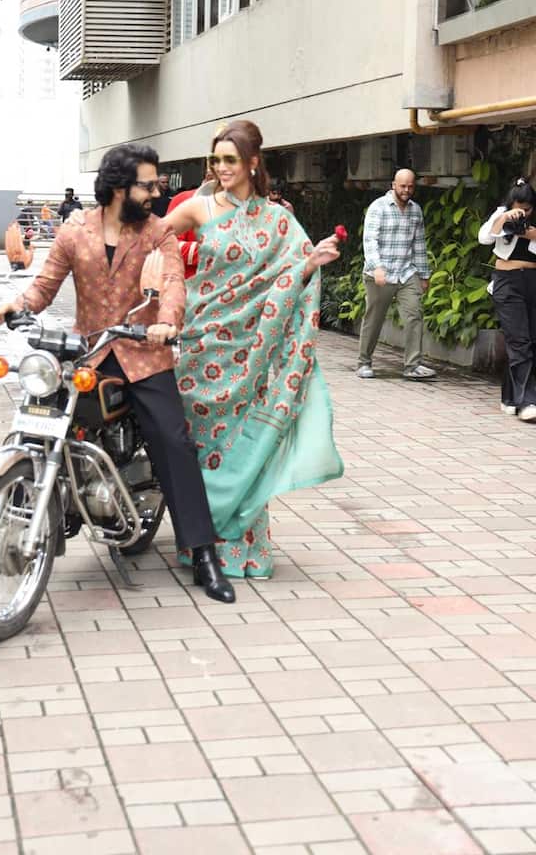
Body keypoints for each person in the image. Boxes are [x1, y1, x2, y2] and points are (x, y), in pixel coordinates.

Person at [0, 143, 235, 604]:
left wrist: (167, 322)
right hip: (92, 355)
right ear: (120, 187)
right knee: (45, 422)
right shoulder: (74, 231)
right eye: (148, 184)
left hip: (145, 354)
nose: (156, 191)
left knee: (173, 440)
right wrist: (16, 305)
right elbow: (45, 285)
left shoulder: (158, 232)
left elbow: (172, 284)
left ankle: (203, 553)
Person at [162, 119, 344, 579]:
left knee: (242, 445)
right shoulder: (200, 209)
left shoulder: (279, 219)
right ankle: (199, 545)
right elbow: (152, 237)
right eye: (216, 160)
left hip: (253, 353)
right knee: (205, 447)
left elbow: (291, 274)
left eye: (230, 160)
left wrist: (311, 262)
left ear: (252, 162)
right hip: (203, 348)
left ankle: (243, 546)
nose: (222, 168)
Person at [356, 169, 435, 380]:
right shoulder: (378, 208)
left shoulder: (415, 210)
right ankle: (364, 362)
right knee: (374, 318)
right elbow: (370, 240)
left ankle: (413, 365)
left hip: (406, 272)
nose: (406, 190)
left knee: (414, 315)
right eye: (403, 186)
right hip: (379, 274)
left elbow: (419, 244)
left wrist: (424, 275)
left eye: (410, 186)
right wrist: (377, 267)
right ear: (393, 185)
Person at [478, 177, 536, 422]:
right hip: (507, 281)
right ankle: (528, 402)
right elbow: (484, 238)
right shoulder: (501, 214)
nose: (522, 213)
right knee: (519, 340)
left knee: (530, 341)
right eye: (518, 208)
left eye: (527, 209)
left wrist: (531, 234)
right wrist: (503, 219)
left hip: (532, 281)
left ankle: (510, 397)